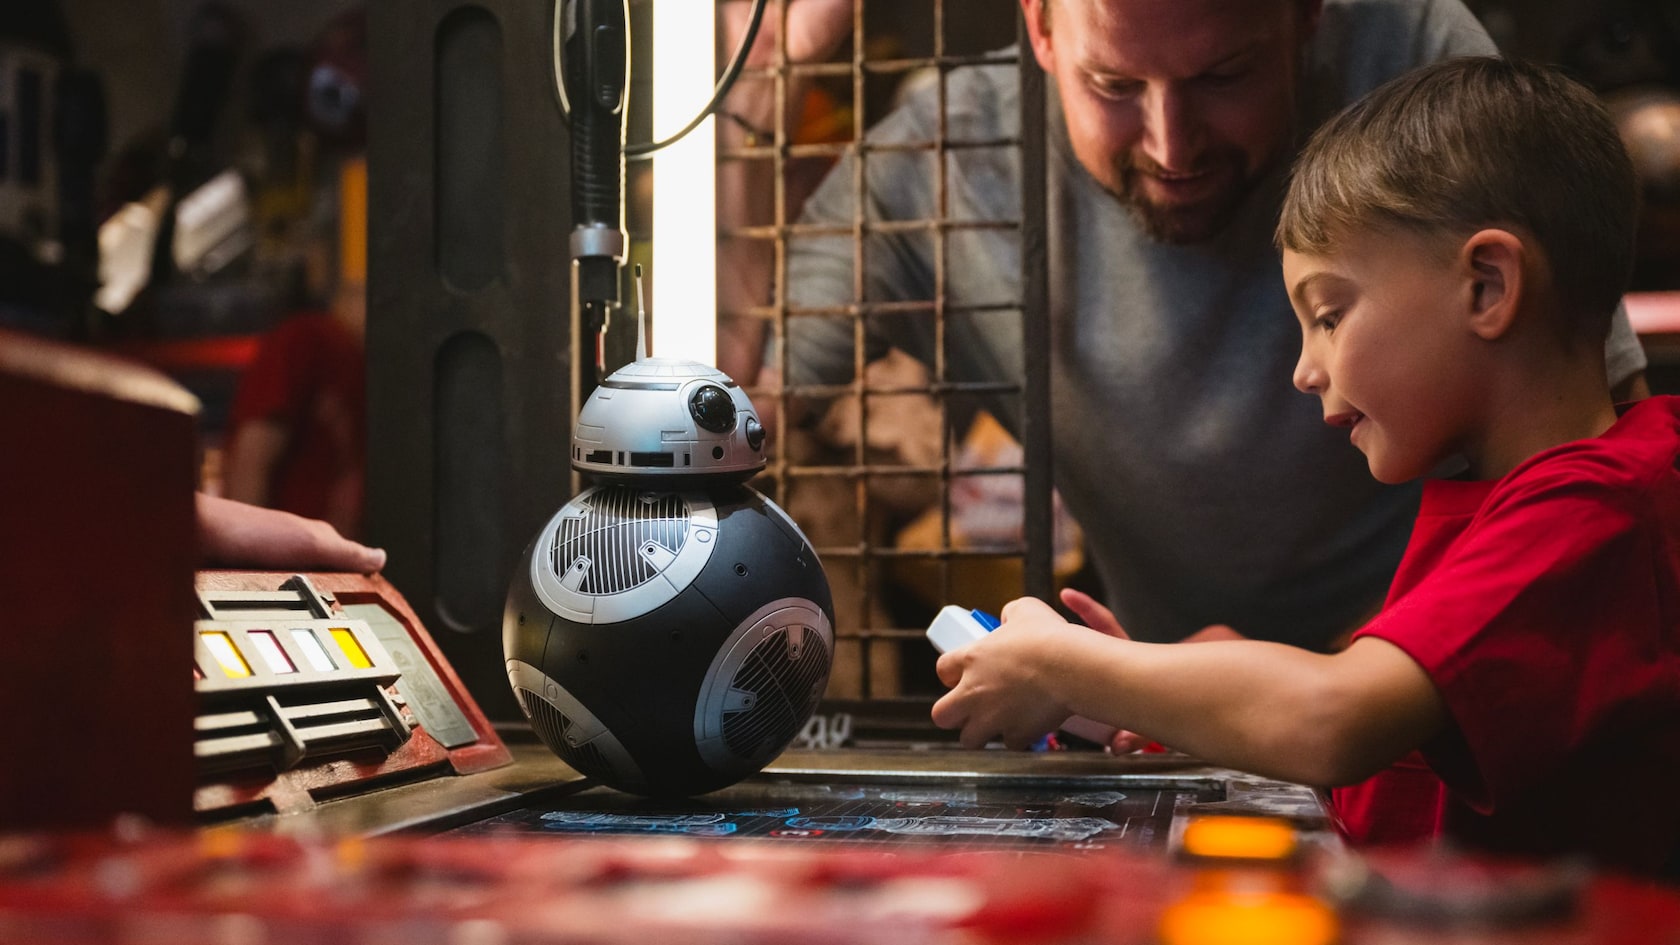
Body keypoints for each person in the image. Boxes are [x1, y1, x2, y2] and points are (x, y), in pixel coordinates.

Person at [932, 56, 1680, 875]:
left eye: (1330, 314)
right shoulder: (1525, 500)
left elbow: (1334, 719)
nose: (1305, 368)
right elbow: (1399, 741)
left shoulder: (1594, 508)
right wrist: (1150, 688)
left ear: (1487, 286)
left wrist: (1067, 663)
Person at [750, 0, 1651, 654]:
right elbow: (733, 395)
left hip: (1438, 690)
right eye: (1112, 84)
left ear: (1309, 20)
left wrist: (1289, 684)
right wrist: (761, 82)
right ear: (1040, 30)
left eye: (1225, 77)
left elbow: (1589, 450)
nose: (1171, 145)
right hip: (1194, 710)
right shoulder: (940, 163)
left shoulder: (1418, 69)